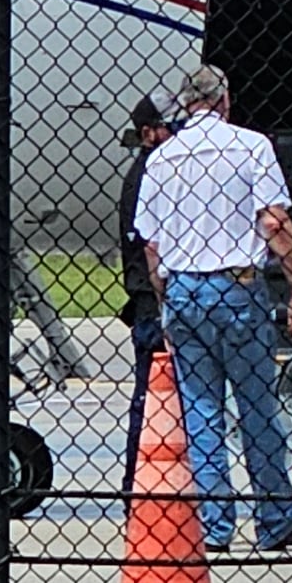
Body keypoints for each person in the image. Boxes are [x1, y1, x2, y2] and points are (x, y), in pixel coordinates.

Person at [131, 61, 292, 553]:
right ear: (224, 100)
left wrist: (164, 300)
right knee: (256, 405)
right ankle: (275, 518)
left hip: (184, 290)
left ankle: (215, 524)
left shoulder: (162, 158)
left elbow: (151, 246)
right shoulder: (252, 146)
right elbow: (274, 222)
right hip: (237, 287)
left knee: (200, 410)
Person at [115, 93, 173, 483]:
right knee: (155, 400)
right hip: (155, 303)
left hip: (157, 299)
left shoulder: (162, 169)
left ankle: (145, 482)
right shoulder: (152, 176)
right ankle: (141, 482)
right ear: (149, 133)